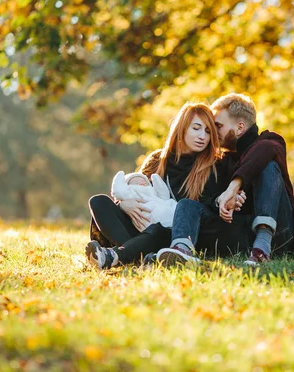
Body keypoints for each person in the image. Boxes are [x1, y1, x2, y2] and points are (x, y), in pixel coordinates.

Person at [86, 102, 247, 269]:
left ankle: (119, 256)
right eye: (196, 128)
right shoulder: (158, 159)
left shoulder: (213, 165)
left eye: (208, 131)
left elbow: (210, 206)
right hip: (141, 223)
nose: (202, 137)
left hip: (171, 235)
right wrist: (124, 204)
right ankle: (137, 256)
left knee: (157, 230)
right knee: (98, 201)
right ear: (182, 128)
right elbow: (137, 189)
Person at [156, 93, 294, 266]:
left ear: (239, 128)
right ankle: (181, 250)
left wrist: (234, 186)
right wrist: (227, 201)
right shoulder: (221, 161)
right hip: (244, 237)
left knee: (267, 166)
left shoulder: (270, 142)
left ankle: (263, 243)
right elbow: (210, 198)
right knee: (187, 204)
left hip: (281, 235)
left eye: (218, 126)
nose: (212, 132)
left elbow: (264, 150)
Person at [110, 171, 177, 228]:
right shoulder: (132, 191)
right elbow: (119, 192)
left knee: (174, 205)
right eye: (136, 182)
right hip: (148, 212)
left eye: (143, 181)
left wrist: (157, 182)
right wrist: (119, 175)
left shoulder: (152, 190)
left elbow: (164, 195)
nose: (141, 182)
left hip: (164, 206)